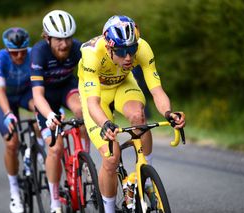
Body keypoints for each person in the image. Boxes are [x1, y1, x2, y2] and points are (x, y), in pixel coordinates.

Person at [78, 15, 186, 212]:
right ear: (109, 47)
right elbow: (93, 103)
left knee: (139, 117)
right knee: (111, 157)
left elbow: (156, 90)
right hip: (96, 94)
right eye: (121, 51)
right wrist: (105, 124)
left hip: (122, 85)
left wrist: (169, 113)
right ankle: (109, 208)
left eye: (131, 50)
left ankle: (146, 180)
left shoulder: (142, 47)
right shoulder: (91, 55)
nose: (128, 57)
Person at [30, 10, 88, 213]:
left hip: (66, 89)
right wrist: (50, 115)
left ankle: (84, 165)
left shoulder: (77, 48)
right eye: (58, 40)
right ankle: (55, 201)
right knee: (55, 148)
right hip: (45, 97)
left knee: (83, 111)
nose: (64, 45)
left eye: (68, 39)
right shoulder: (39, 53)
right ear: (47, 38)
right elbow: (37, 95)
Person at [0, 27, 44, 213]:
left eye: (23, 51)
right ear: (7, 50)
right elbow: (0, 91)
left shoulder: (33, 55)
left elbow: (41, 86)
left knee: (41, 111)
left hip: (26, 95)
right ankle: (14, 191)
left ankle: (39, 150)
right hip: (7, 100)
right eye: (15, 52)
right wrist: (7, 114)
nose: (20, 56)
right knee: (12, 143)